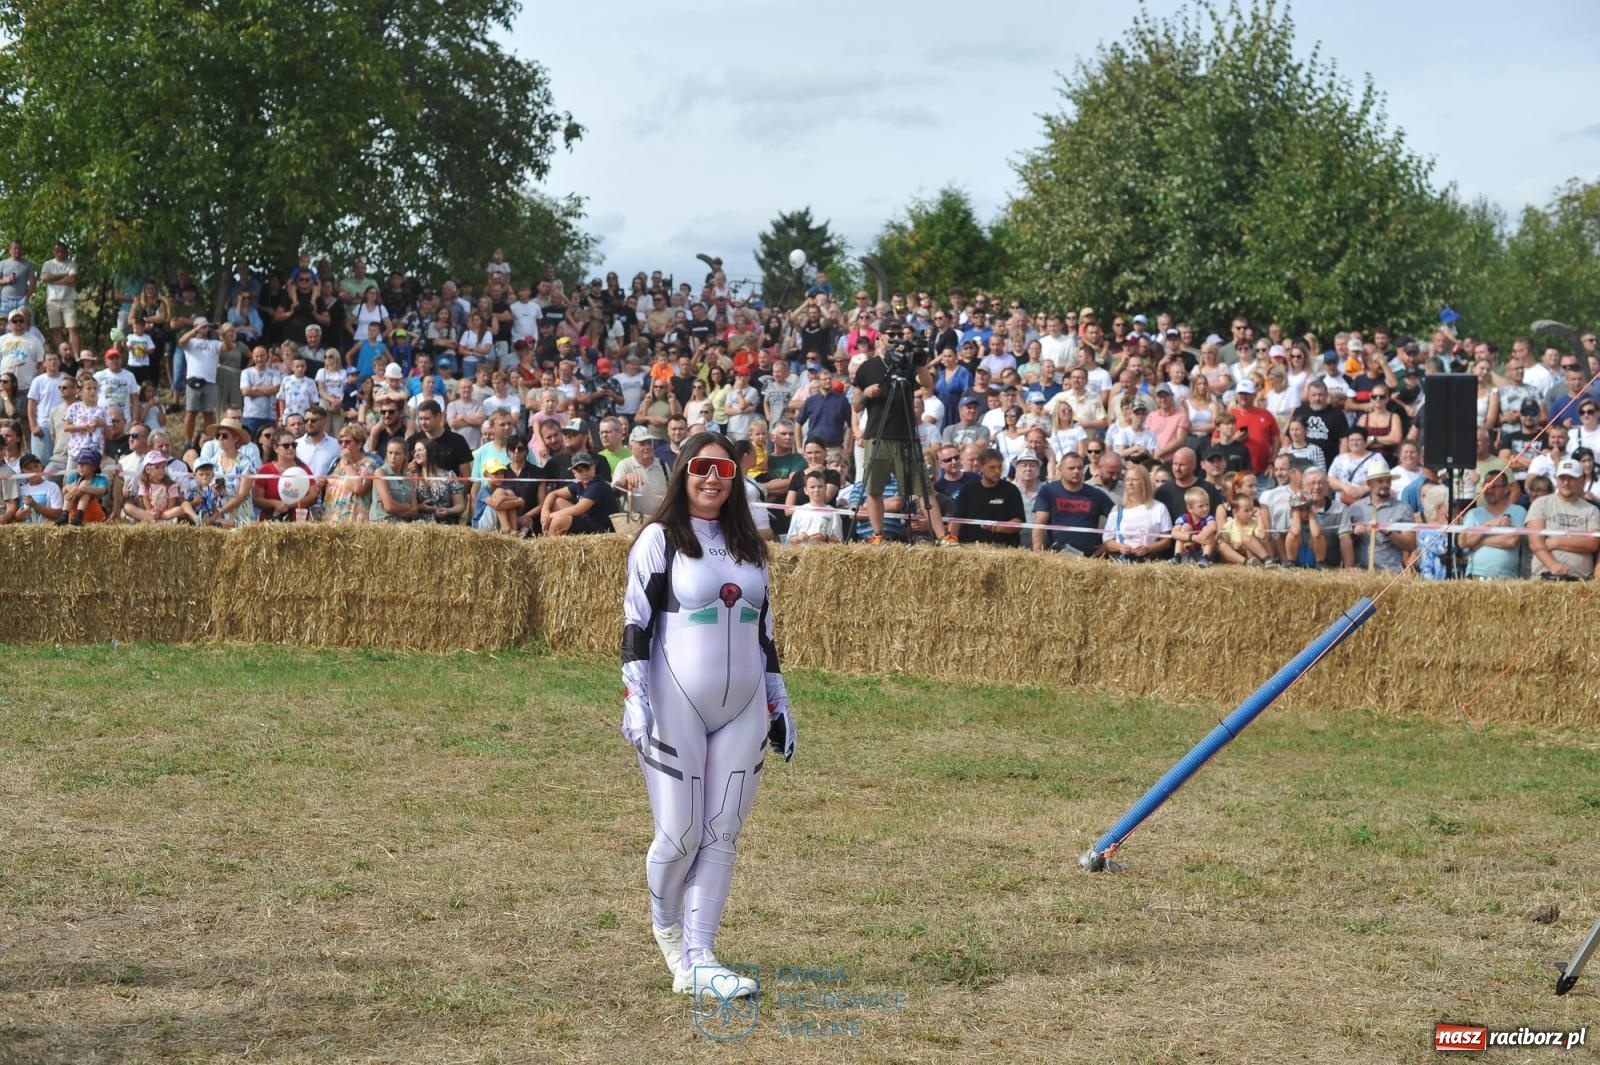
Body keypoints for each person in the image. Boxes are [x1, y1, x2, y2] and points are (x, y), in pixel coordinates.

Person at [620, 429, 794, 1000]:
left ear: (737, 478)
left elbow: (766, 633)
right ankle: (667, 929)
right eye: (701, 467)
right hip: (676, 705)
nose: (711, 479)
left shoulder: (751, 546)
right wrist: (635, 699)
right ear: (682, 472)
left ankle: (700, 955)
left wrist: (779, 700)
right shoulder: (658, 539)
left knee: (722, 833)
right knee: (679, 833)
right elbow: (636, 625)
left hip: (743, 708)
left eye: (723, 470)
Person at [853, 331, 955, 544]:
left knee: (923, 490)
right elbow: (855, 404)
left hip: (905, 435)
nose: (895, 337)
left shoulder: (906, 364)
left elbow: (928, 384)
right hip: (876, 434)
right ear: (880, 337)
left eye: (899, 334)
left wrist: (917, 362)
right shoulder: (867, 367)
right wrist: (866, 393)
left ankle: (943, 537)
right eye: (891, 334)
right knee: (874, 489)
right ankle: (878, 534)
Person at [1528, 458, 1600, 580]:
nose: (1566, 482)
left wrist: (1555, 542)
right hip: (1545, 577)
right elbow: (1535, 542)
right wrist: (1553, 565)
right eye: (1562, 478)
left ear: (1581, 481)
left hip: (1580, 580)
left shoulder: (1592, 510)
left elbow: (1592, 543)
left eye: (1571, 478)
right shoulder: (1540, 504)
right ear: (1556, 480)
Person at [1343, 459, 1416, 571]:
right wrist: (1355, 533)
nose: (1385, 485)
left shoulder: (1403, 509)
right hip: (1361, 572)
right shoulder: (1356, 508)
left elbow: (1410, 544)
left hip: (1390, 572)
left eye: (1388, 481)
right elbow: (1345, 539)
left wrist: (1388, 532)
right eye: (1380, 481)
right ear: (1369, 484)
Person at [953, 447, 1025, 547]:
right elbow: (956, 520)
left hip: (1004, 550)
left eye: (1000, 467)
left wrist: (997, 527)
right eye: (992, 467)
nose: (997, 471)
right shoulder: (968, 490)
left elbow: (1018, 522)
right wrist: (951, 543)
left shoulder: (1011, 490)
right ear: (980, 467)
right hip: (971, 549)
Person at [1101, 462, 1172, 561]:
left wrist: (1148, 548)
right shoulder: (1117, 510)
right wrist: (1120, 547)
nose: (1130, 483)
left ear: (1144, 482)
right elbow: (1107, 540)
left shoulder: (1159, 508)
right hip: (1123, 562)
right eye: (1127, 480)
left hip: (1149, 562)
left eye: (1134, 479)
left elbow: (1167, 541)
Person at [540, 451, 617, 535]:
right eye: (580, 470)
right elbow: (553, 494)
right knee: (557, 502)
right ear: (574, 473)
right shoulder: (579, 484)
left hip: (603, 529)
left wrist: (549, 516)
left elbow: (578, 509)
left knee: (558, 520)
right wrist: (545, 511)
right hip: (588, 521)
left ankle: (550, 544)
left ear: (594, 468)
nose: (584, 473)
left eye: (587, 468)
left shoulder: (598, 485)